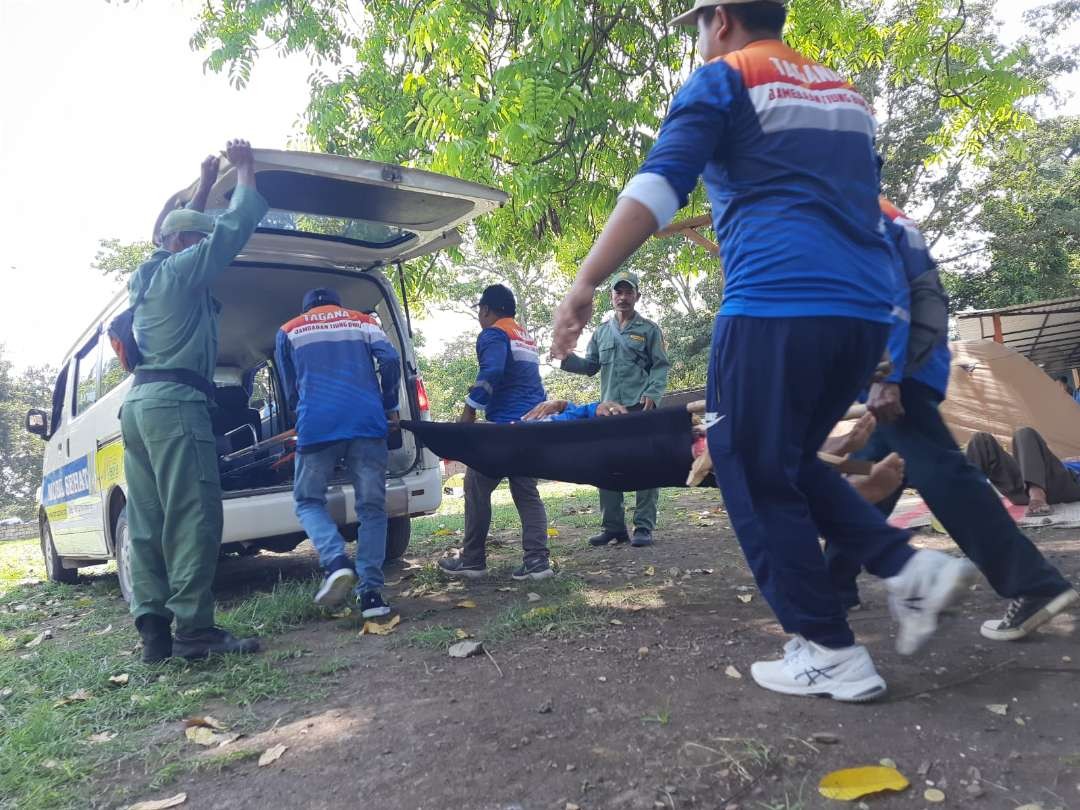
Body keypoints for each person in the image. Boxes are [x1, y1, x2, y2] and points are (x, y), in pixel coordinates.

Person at [548, 0, 975, 702]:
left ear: (719, 19)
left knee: (745, 464)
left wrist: (585, 282)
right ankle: (907, 570)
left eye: (695, 27)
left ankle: (828, 648)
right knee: (788, 462)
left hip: (777, 305)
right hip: (863, 312)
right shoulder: (843, 94)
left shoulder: (725, 78)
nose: (697, 41)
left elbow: (659, 186)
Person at [825, 199, 1078, 642]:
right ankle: (833, 586)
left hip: (900, 371)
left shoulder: (854, 208)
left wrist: (890, 374)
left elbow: (898, 289)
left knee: (942, 472)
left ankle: (1034, 583)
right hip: (903, 369)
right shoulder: (862, 203)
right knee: (874, 468)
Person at [122, 140, 268, 662]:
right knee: (193, 516)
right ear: (183, 242)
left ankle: (155, 634)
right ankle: (195, 631)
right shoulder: (183, 270)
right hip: (177, 406)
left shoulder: (147, 275)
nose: (205, 252)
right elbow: (229, 231)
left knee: (148, 520)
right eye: (195, 240)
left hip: (140, 408)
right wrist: (245, 171)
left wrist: (204, 183)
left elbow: (173, 225)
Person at [275, 288, 401, 618]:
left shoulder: (289, 330)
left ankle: (335, 561)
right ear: (336, 305)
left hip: (317, 426)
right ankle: (371, 595)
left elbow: (290, 387)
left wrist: (300, 413)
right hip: (367, 423)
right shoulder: (363, 322)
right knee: (372, 507)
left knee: (307, 500)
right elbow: (389, 360)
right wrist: (388, 404)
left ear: (307, 308)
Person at [438, 284, 554, 581]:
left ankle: (473, 559)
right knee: (526, 491)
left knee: (476, 487)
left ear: (486, 310)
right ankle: (537, 561)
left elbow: (491, 372)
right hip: (529, 427)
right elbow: (523, 383)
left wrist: (469, 409)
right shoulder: (525, 337)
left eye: (480, 311)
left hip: (502, 430)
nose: (480, 316)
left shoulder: (493, 333)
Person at [560, 271, 670, 547]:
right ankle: (614, 527)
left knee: (646, 466)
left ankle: (643, 526)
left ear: (637, 296)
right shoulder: (601, 332)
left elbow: (660, 366)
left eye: (628, 292)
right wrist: (565, 357)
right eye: (618, 292)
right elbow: (590, 366)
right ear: (611, 296)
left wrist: (653, 393)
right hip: (609, 411)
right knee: (607, 465)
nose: (623, 297)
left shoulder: (649, 330)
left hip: (640, 409)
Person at [966, 427, 1080, 517]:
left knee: (1024, 432)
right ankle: (965, 498)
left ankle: (1037, 494)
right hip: (1023, 491)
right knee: (981, 439)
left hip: (1064, 486)